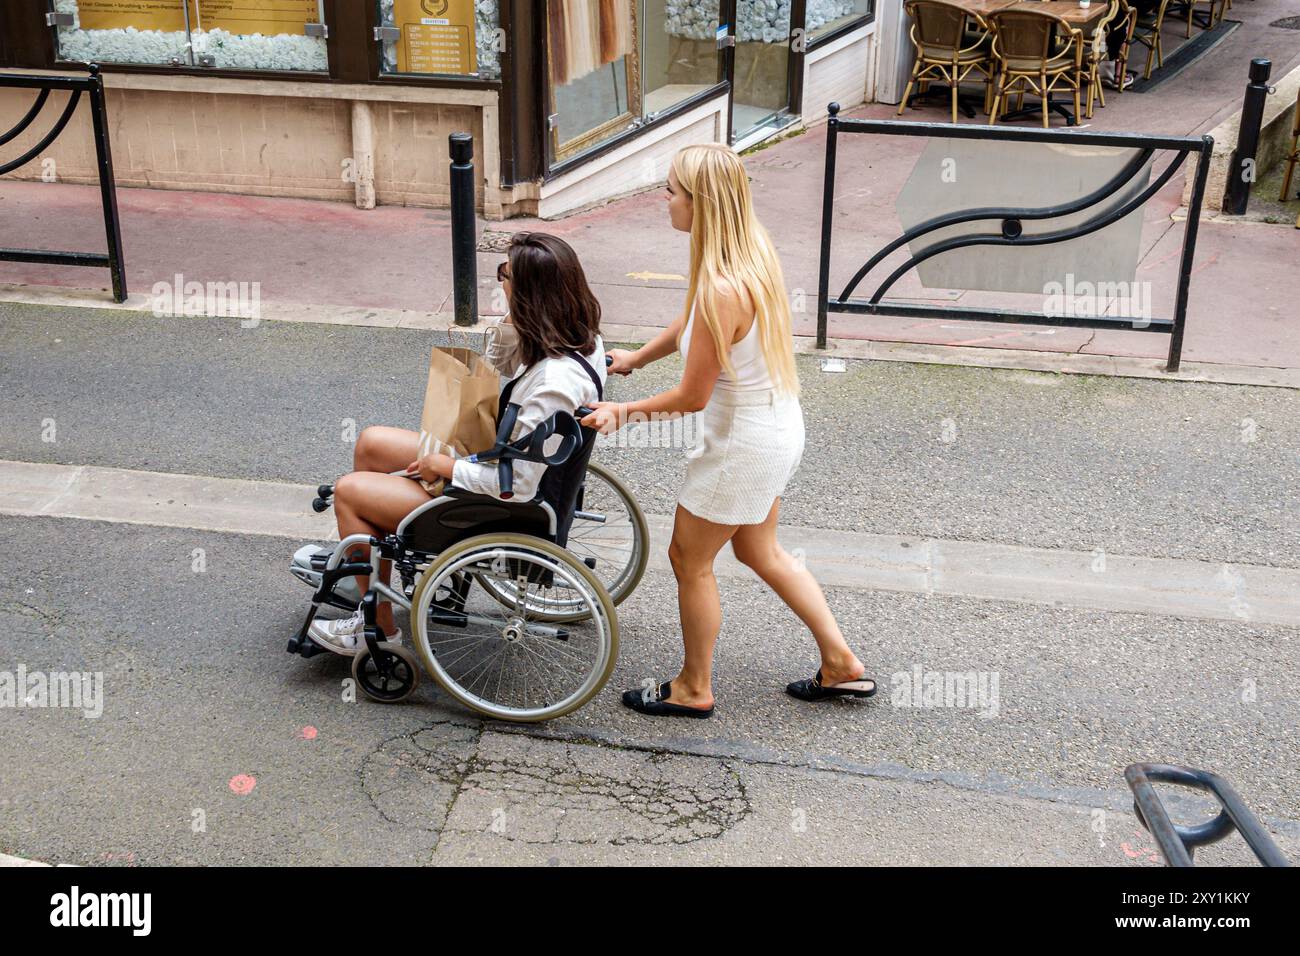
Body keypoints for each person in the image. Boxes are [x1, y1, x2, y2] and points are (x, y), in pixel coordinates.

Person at [581, 144, 875, 718]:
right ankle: (841, 663)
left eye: (671, 190)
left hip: (743, 443)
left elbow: (692, 396)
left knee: (689, 559)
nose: (663, 199)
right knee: (759, 549)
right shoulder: (744, 252)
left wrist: (623, 411)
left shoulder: (721, 284)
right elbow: (690, 321)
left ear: (700, 202)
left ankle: (694, 687)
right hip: (778, 426)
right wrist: (638, 357)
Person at [305, 232, 606, 655]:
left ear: (533, 293)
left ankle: (377, 628)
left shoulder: (552, 386)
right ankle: (370, 568)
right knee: (372, 443)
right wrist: (513, 315)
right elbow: (502, 363)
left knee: (349, 493)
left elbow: (517, 485)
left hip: (504, 505)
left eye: (506, 275)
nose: (500, 280)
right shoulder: (577, 339)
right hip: (504, 464)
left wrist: (443, 468)